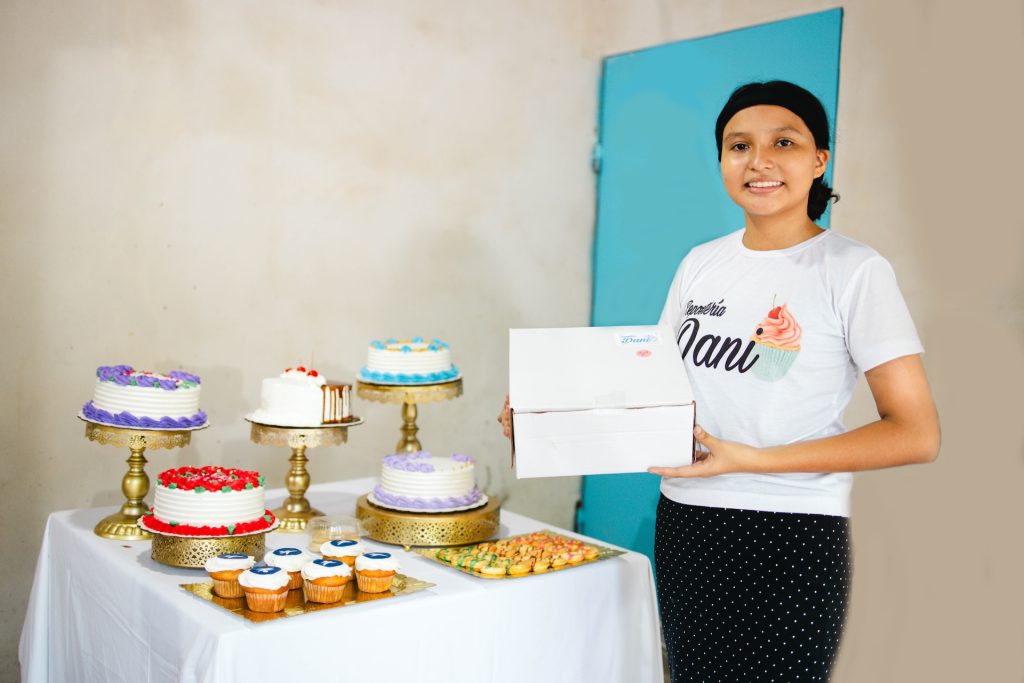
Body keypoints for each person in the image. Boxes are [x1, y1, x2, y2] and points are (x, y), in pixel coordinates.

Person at [498, 80, 940, 682]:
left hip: (793, 531)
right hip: (688, 522)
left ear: (818, 160)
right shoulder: (702, 263)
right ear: (722, 162)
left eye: (783, 142)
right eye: (739, 146)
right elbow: (648, 391)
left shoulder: (854, 270)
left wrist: (751, 459)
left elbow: (915, 434)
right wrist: (549, 413)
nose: (759, 161)